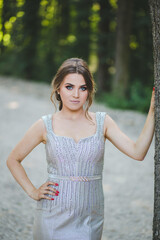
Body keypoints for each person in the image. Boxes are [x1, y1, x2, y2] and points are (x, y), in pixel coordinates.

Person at [6, 58, 155, 240]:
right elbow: (13, 160)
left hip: (90, 217)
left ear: (89, 91)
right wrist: (33, 191)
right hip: (52, 216)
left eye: (83, 88)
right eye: (69, 87)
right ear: (58, 88)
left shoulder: (103, 122)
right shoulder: (45, 125)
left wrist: (153, 111)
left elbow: (138, 152)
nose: (76, 94)